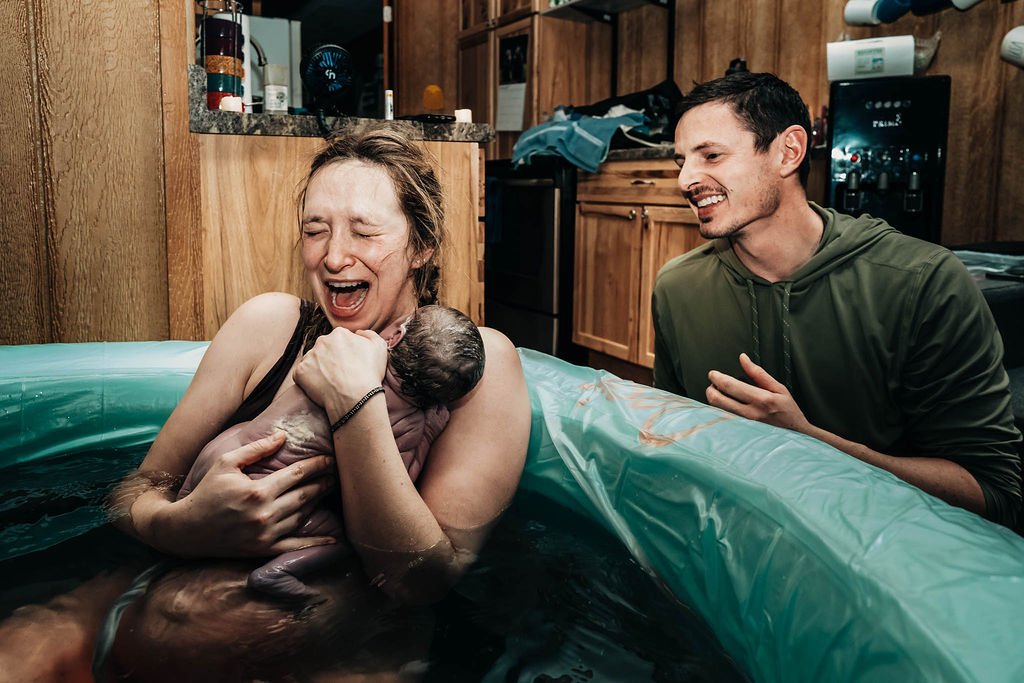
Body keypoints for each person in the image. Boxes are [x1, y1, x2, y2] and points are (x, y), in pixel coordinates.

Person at [0, 129, 532, 682]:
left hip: (335, 658)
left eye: (365, 232)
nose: (333, 256)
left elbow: (420, 581)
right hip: (116, 612)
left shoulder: (474, 368)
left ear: (422, 246)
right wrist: (179, 525)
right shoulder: (269, 328)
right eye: (314, 230)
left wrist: (356, 401)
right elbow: (133, 490)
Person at [653, 71, 1022, 528]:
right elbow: (674, 437)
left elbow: (992, 493)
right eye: (680, 162)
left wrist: (807, 441)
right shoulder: (676, 287)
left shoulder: (923, 281)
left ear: (789, 151)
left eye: (711, 155)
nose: (686, 179)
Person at [177, 304, 486, 601]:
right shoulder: (409, 422)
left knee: (245, 432)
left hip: (223, 454)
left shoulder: (352, 353)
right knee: (338, 539)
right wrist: (429, 432)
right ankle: (275, 574)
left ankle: (185, 497)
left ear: (397, 336)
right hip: (261, 492)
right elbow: (397, 479)